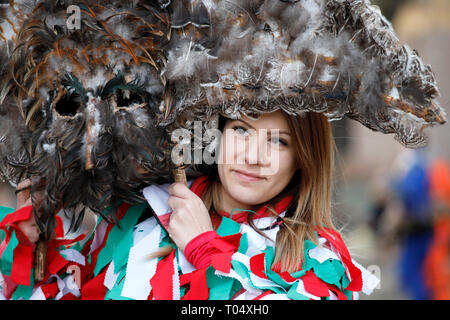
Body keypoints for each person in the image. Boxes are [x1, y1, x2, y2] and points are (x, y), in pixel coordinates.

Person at [1, 109, 379, 300]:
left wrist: (206, 250)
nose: (253, 156)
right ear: (217, 133)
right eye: (241, 130)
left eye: (278, 142)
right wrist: (34, 242)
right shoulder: (141, 214)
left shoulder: (321, 264)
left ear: (304, 158)